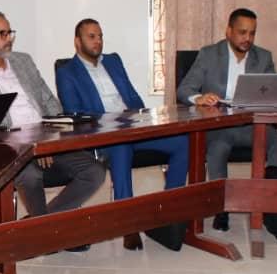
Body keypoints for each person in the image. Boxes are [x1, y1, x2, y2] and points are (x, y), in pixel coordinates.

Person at [0, 10, 105, 248]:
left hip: (46, 137)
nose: (9, 38)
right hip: (11, 150)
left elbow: (50, 102)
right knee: (31, 175)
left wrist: (48, 139)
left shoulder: (23, 61)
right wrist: (31, 146)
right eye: (2, 33)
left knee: (94, 171)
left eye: (10, 32)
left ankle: (39, 227)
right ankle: (51, 234)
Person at [56, 18, 188, 250]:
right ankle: (127, 224)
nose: (98, 41)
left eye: (100, 36)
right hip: (104, 135)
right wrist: (114, 122)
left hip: (133, 126)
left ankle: (168, 212)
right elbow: (75, 113)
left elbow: (133, 97)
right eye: (91, 37)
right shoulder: (67, 72)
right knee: (121, 146)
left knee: (182, 142)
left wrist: (139, 117)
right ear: (77, 42)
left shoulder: (113, 61)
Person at [176, 8, 277, 231]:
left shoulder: (263, 57)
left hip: (251, 125)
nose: (247, 38)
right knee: (218, 148)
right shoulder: (209, 54)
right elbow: (184, 89)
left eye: (252, 33)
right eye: (242, 32)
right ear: (228, 31)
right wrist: (199, 98)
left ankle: (268, 203)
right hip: (218, 126)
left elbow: (274, 90)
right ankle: (222, 208)